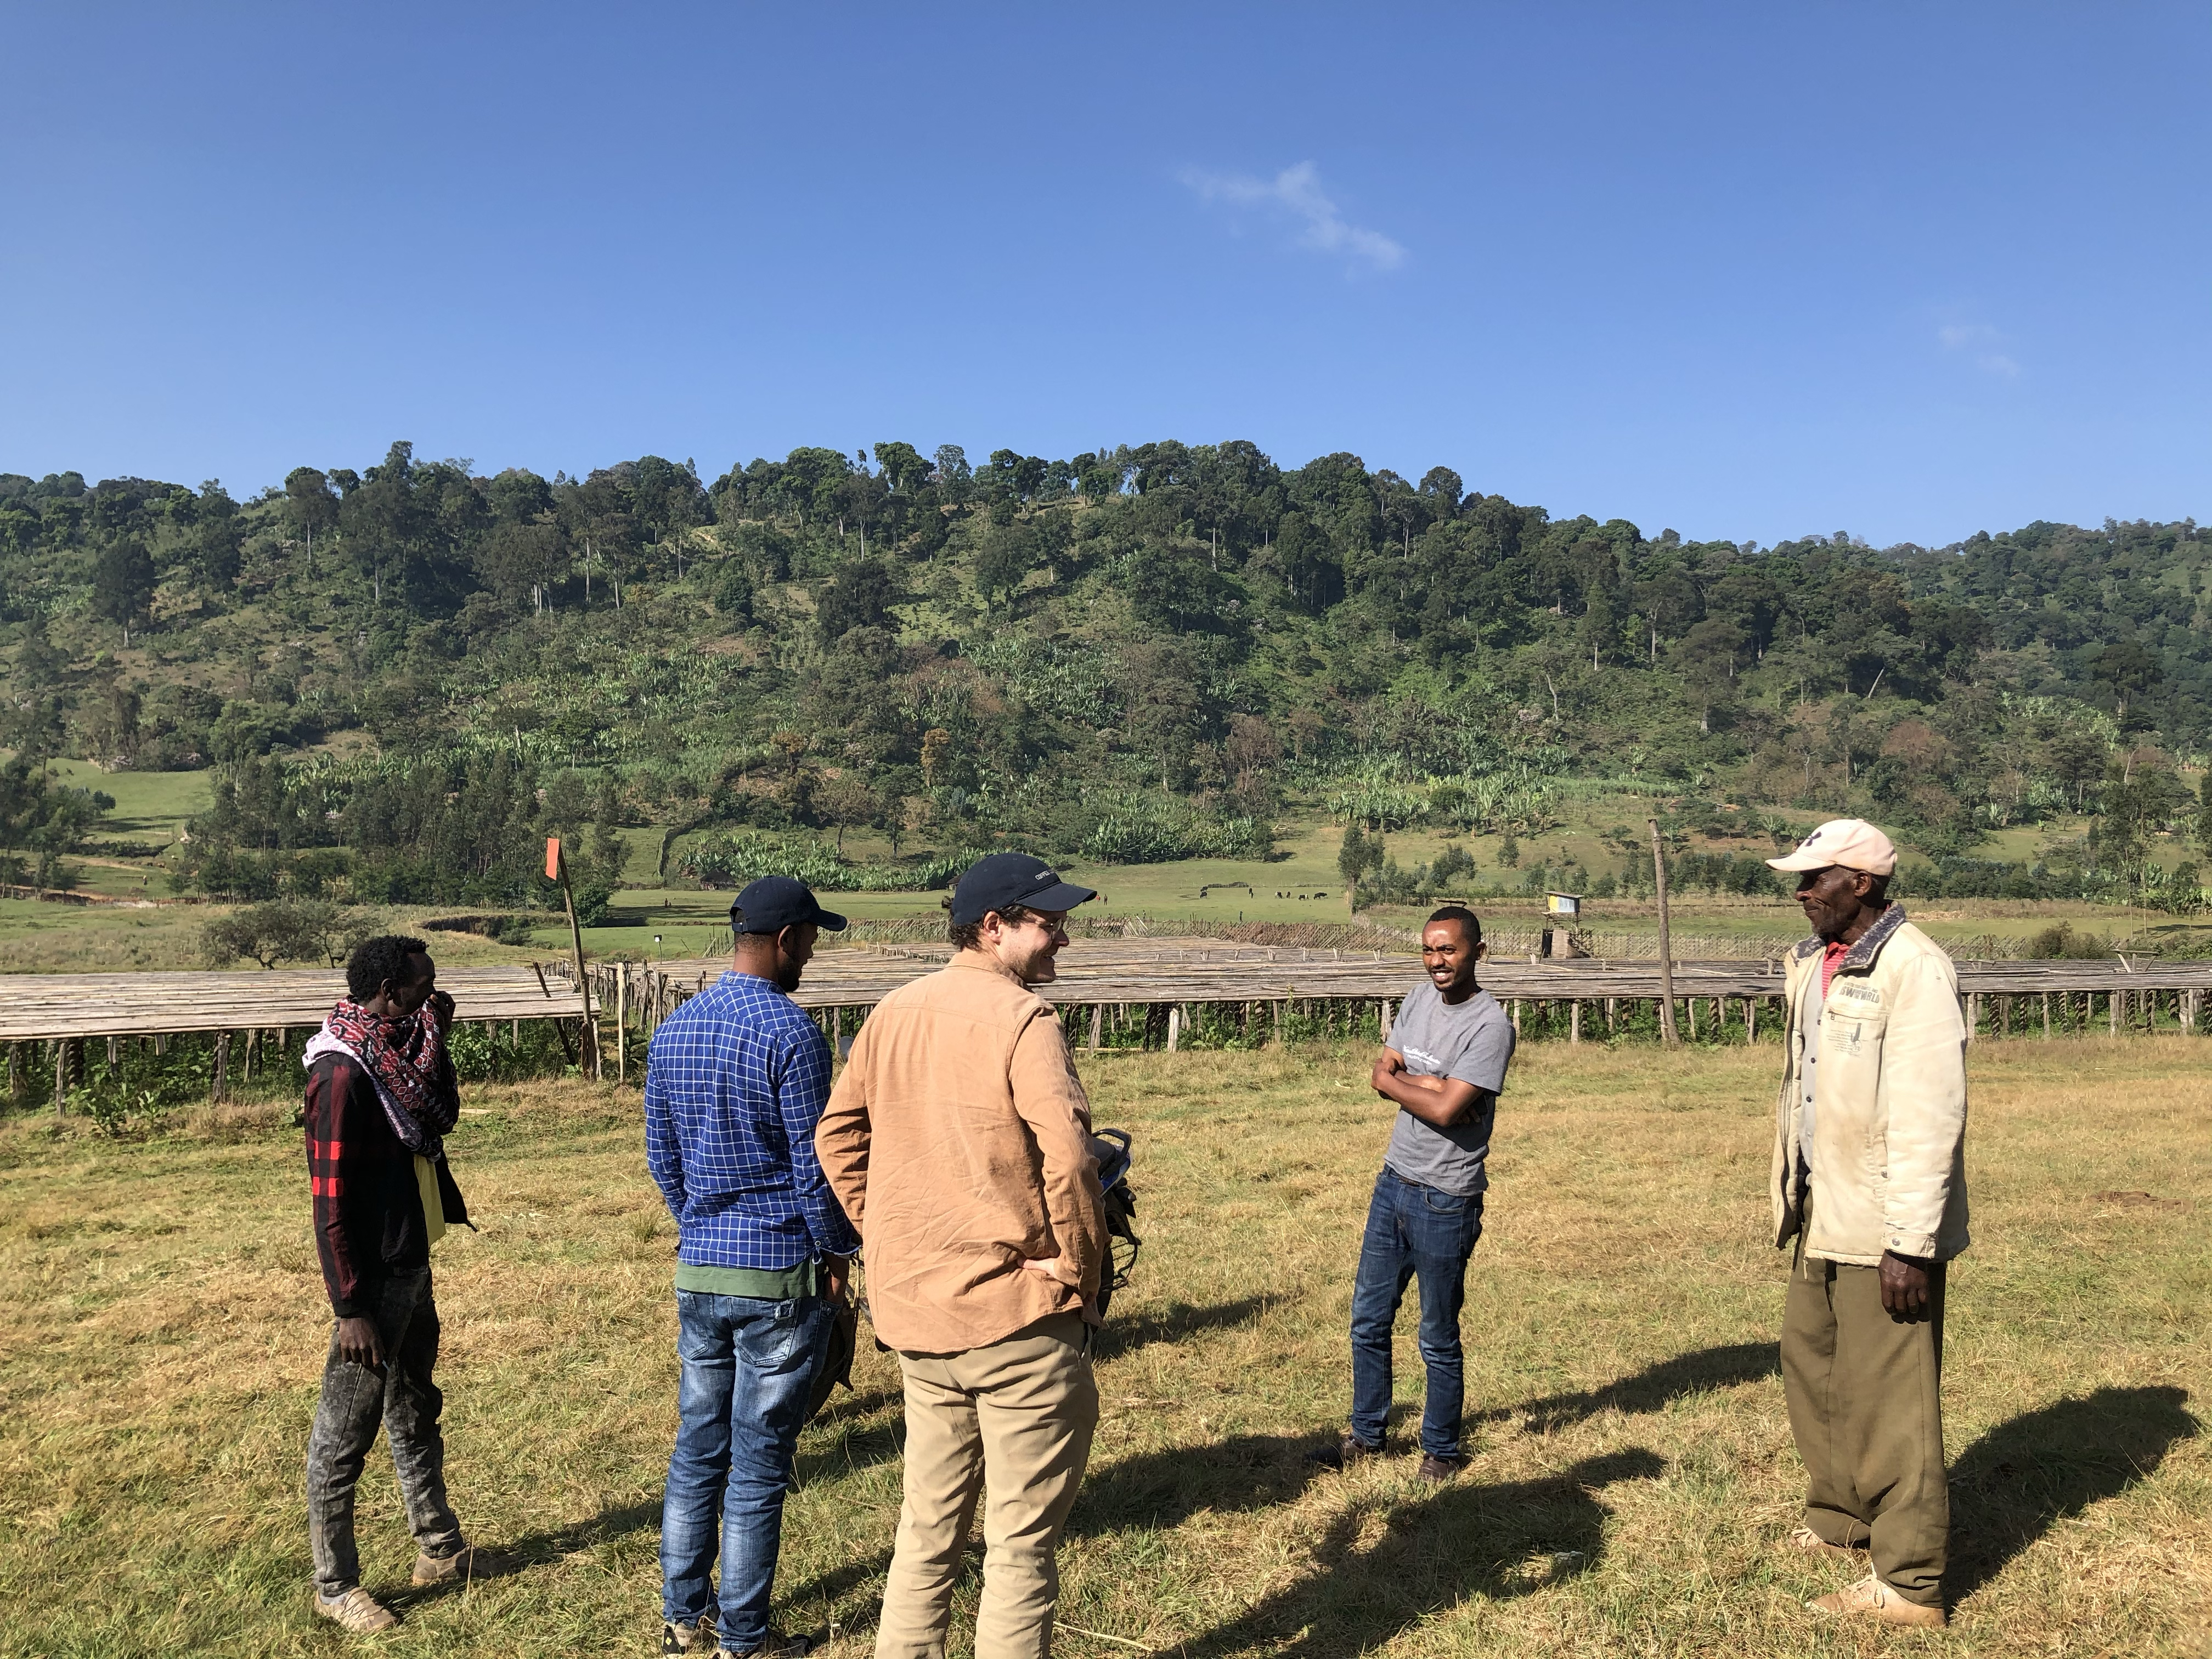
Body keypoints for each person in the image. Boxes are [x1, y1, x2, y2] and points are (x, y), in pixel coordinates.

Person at [815, 852, 1107, 1659]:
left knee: (927, 1531)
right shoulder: (1025, 1022)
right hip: (1016, 1319)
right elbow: (1073, 1160)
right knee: (1018, 1549)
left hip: (920, 1318)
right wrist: (1077, 1272)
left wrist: (889, 1234)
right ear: (994, 927)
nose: (1063, 941)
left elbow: (837, 1136)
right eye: (1047, 925)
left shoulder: (895, 1011)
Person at [644, 876, 860, 1658]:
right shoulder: (793, 1035)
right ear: (783, 940)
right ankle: (744, 1637)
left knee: (697, 1446)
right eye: (810, 939)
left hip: (700, 1270)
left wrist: (701, 1222)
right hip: (778, 1277)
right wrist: (837, 1247)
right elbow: (816, 1167)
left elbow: (662, 1157)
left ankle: (681, 1618)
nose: (812, 953)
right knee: (760, 1463)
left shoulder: (675, 1028)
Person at [1766, 819, 1967, 1630]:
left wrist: (1910, 1244)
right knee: (1812, 1367)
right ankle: (1842, 1518)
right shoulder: (1820, 965)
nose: (1803, 890)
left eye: (1818, 877)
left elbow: (1930, 1115)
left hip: (1885, 1223)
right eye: (1803, 877)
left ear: (1864, 883)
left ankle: (1910, 1579)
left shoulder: (1914, 969)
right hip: (1825, 1207)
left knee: (1890, 1396)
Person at [302, 934, 510, 1633]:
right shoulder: (343, 1073)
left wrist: (437, 1034)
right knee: (344, 1435)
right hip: (374, 1281)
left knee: (415, 1405)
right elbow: (329, 1203)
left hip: (411, 1261)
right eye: (424, 986)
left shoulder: (398, 1061)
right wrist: (350, 1308)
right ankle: (335, 1586)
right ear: (390, 993)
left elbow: (429, 1120)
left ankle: (439, 1546)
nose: (435, 995)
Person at [1322, 904, 1516, 1481]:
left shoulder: (1490, 1027)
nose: (1438, 961)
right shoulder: (1416, 997)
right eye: (1430, 950)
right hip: (1394, 1181)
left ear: (1477, 953)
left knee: (1436, 1333)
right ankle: (1367, 1434)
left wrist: (1419, 1087)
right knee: (1368, 1319)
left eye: (1449, 950)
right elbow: (1382, 1074)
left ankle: (1441, 1449)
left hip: (1446, 1198)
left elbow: (1449, 1109)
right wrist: (1425, 1084)